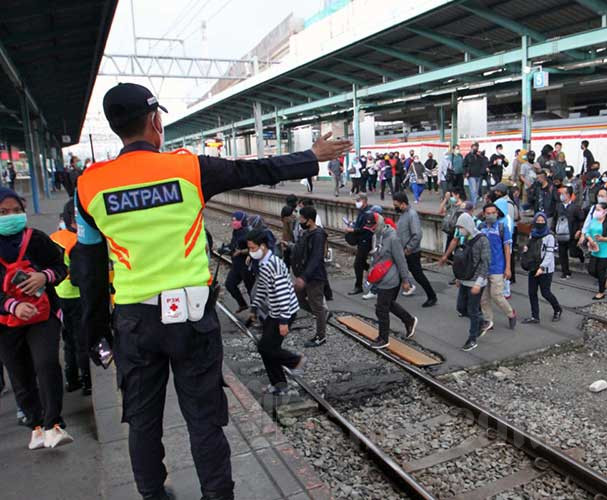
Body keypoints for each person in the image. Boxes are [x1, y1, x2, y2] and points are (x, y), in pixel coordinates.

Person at [72, 83, 349, 500]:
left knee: (143, 422)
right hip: (191, 317)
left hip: (133, 321)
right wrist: (312, 157)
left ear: (115, 128)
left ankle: (153, 494)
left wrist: (94, 332)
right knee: (204, 418)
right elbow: (256, 170)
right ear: (155, 121)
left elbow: (88, 270)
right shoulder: (187, 169)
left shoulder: (89, 186)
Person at [0, 188, 72, 450]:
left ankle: (54, 423)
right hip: (6, 324)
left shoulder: (36, 239)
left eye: (16, 211)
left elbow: (61, 266)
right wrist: (12, 305)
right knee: (20, 375)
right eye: (3, 212)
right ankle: (36, 425)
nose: (11, 216)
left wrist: (45, 276)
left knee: (47, 364)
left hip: (44, 315)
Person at [247, 230, 304, 396]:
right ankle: (279, 384)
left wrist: (284, 321)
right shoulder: (264, 263)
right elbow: (263, 289)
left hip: (284, 311)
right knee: (267, 348)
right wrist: (254, 308)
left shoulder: (272, 264)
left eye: (253, 248)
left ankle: (296, 361)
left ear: (263, 247)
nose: (251, 252)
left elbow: (283, 294)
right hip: (275, 310)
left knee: (266, 347)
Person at [50, 199, 92, 396]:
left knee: (68, 340)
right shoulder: (77, 242)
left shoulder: (53, 237)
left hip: (58, 297)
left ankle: (71, 379)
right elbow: (78, 277)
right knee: (82, 340)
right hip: (77, 297)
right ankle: (87, 381)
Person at [366, 212, 417, 349]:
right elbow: (376, 255)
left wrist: (406, 280)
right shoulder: (376, 235)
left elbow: (401, 260)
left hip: (391, 278)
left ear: (379, 224)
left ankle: (384, 338)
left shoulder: (393, 238)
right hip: (380, 276)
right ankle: (409, 320)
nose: (371, 229)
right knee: (387, 304)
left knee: (381, 308)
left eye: (373, 226)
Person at [293, 206, 330, 348]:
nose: (300, 221)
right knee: (300, 299)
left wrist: (304, 277)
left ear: (309, 220)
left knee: (317, 305)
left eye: (302, 218)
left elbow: (315, 258)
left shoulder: (318, 235)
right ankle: (321, 314)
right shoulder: (308, 232)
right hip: (306, 275)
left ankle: (321, 336)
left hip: (314, 277)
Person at [452, 213, 489, 352]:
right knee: (461, 307)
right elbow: (463, 261)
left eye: (461, 227)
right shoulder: (465, 238)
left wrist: (479, 283)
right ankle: (482, 321)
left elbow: (485, 262)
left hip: (476, 282)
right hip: (465, 280)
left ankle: (472, 339)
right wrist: (459, 278)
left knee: (472, 310)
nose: (460, 230)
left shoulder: (482, 240)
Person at [393, 191, 437, 307]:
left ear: (403, 203)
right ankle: (390, 299)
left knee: (418, 275)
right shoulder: (404, 214)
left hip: (410, 252)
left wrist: (409, 248)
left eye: (396, 204)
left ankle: (432, 296)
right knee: (398, 272)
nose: (395, 207)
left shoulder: (412, 214)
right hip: (404, 251)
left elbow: (417, 234)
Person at [478, 203, 516, 333]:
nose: (491, 215)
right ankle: (488, 321)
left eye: (493, 213)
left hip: (497, 267)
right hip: (483, 268)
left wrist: (508, 267)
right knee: (483, 298)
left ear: (497, 213)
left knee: (496, 295)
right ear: (484, 214)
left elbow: (507, 249)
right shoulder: (480, 227)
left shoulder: (502, 227)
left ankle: (511, 313)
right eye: (488, 213)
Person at [521, 212, 561, 324]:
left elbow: (549, 254)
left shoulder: (550, 236)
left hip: (546, 269)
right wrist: (525, 249)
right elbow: (530, 247)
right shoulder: (532, 233)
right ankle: (535, 316)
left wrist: (542, 268)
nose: (540, 223)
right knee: (532, 292)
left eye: (542, 221)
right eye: (537, 221)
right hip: (533, 266)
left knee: (545, 292)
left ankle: (557, 309)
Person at [583, 202, 607, 300]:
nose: (596, 212)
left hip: (606, 251)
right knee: (591, 270)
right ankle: (605, 279)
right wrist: (589, 239)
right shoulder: (593, 221)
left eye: (599, 210)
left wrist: (604, 239)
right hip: (595, 249)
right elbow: (587, 232)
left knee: (600, 270)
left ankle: (601, 292)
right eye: (596, 209)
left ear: (605, 211)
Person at [222, 211, 253, 313]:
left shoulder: (248, 233)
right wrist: (226, 249)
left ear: (242, 221)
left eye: (236, 221)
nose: (233, 222)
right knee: (230, 284)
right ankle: (242, 304)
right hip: (236, 265)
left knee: (251, 290)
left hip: (246, 266)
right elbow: (233, 245)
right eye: (232, 220)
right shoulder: (236, 232)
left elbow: (254, 249)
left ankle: (256, 313)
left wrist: (240, 252)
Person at [554, 185, 584, 279]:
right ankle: (565, 272)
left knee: (573, 252)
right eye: (561, 193)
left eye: (564, 193)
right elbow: (555, 218)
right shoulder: (558, 206)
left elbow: (581, 219)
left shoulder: (575, 207)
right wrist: (553, 230)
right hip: (561, 234)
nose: (561, 195)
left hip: (572, 234)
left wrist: (579, 231)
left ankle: (580, 254)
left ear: (569, 195)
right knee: (562, 253)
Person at [346, 193, 372, 296]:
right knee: (362, 263)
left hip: (365, 241)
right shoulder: (362, 212)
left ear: (364, 201)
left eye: (358, 201)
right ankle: (375, 273)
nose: (356, 203)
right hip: (362, 241)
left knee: (358, 264)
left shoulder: (368, 213)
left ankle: (358, 286)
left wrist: (352, 229)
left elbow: (365, 229)